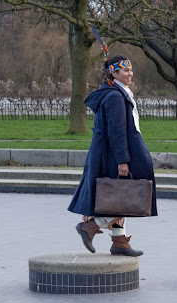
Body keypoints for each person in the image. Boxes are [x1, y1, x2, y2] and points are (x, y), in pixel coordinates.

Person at [68, 54, 158, 257]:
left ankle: (119, 241)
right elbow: (116, 132)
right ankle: (90, 227)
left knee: (122, 194)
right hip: (115, 155)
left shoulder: (114, 92)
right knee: (128, 193)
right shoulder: (115, 96)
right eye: (125, 70)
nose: (130, 73)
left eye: (131, 69)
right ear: (113, 73)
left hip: (112, 152)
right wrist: (122, 161)